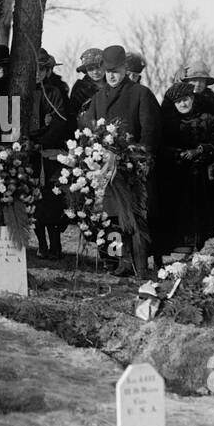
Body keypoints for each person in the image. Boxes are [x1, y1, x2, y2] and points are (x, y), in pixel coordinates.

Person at [80, 44, 161, 277]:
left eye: (116, 70)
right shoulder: (97, 98)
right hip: (106, 170)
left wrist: (140, 157)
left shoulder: (140, 94)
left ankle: (141, 266)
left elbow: (150, 132)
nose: (112, 75)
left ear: (125, 69)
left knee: (135, 218)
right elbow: (91, 131)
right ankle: (120, 262)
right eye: (108, 71)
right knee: (112, 217)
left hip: (133, 168)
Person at [158, 65, 214, 254]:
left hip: (205, 174)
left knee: (207, 211)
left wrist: (201, 150)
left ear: (193, 99)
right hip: (178, 174)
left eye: (186, 99)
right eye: (179, 101)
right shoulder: (169, 122)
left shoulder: (209, 116)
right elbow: (161, 145)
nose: (183, 104)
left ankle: (206, 246)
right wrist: (178, 154)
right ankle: (180, 246)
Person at [30, 49, 70, 259]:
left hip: (50, 153)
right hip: (30, 152)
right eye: (34, 69)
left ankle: (56, 244)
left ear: (48, 70)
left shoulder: (54, 91)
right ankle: (41, 244)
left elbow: (59, 119)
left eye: (42, 69)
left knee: (52, 200)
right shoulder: (21, 91)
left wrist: (44, 139)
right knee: (34, 200)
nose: (37, 73)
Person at [68, 48, 104, 127]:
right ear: (85, 71)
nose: (95, 72)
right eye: (90, 69)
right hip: (86, 132)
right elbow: (72, 115)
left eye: (98, 67)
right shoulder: (80, 88)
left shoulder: (113, 85)